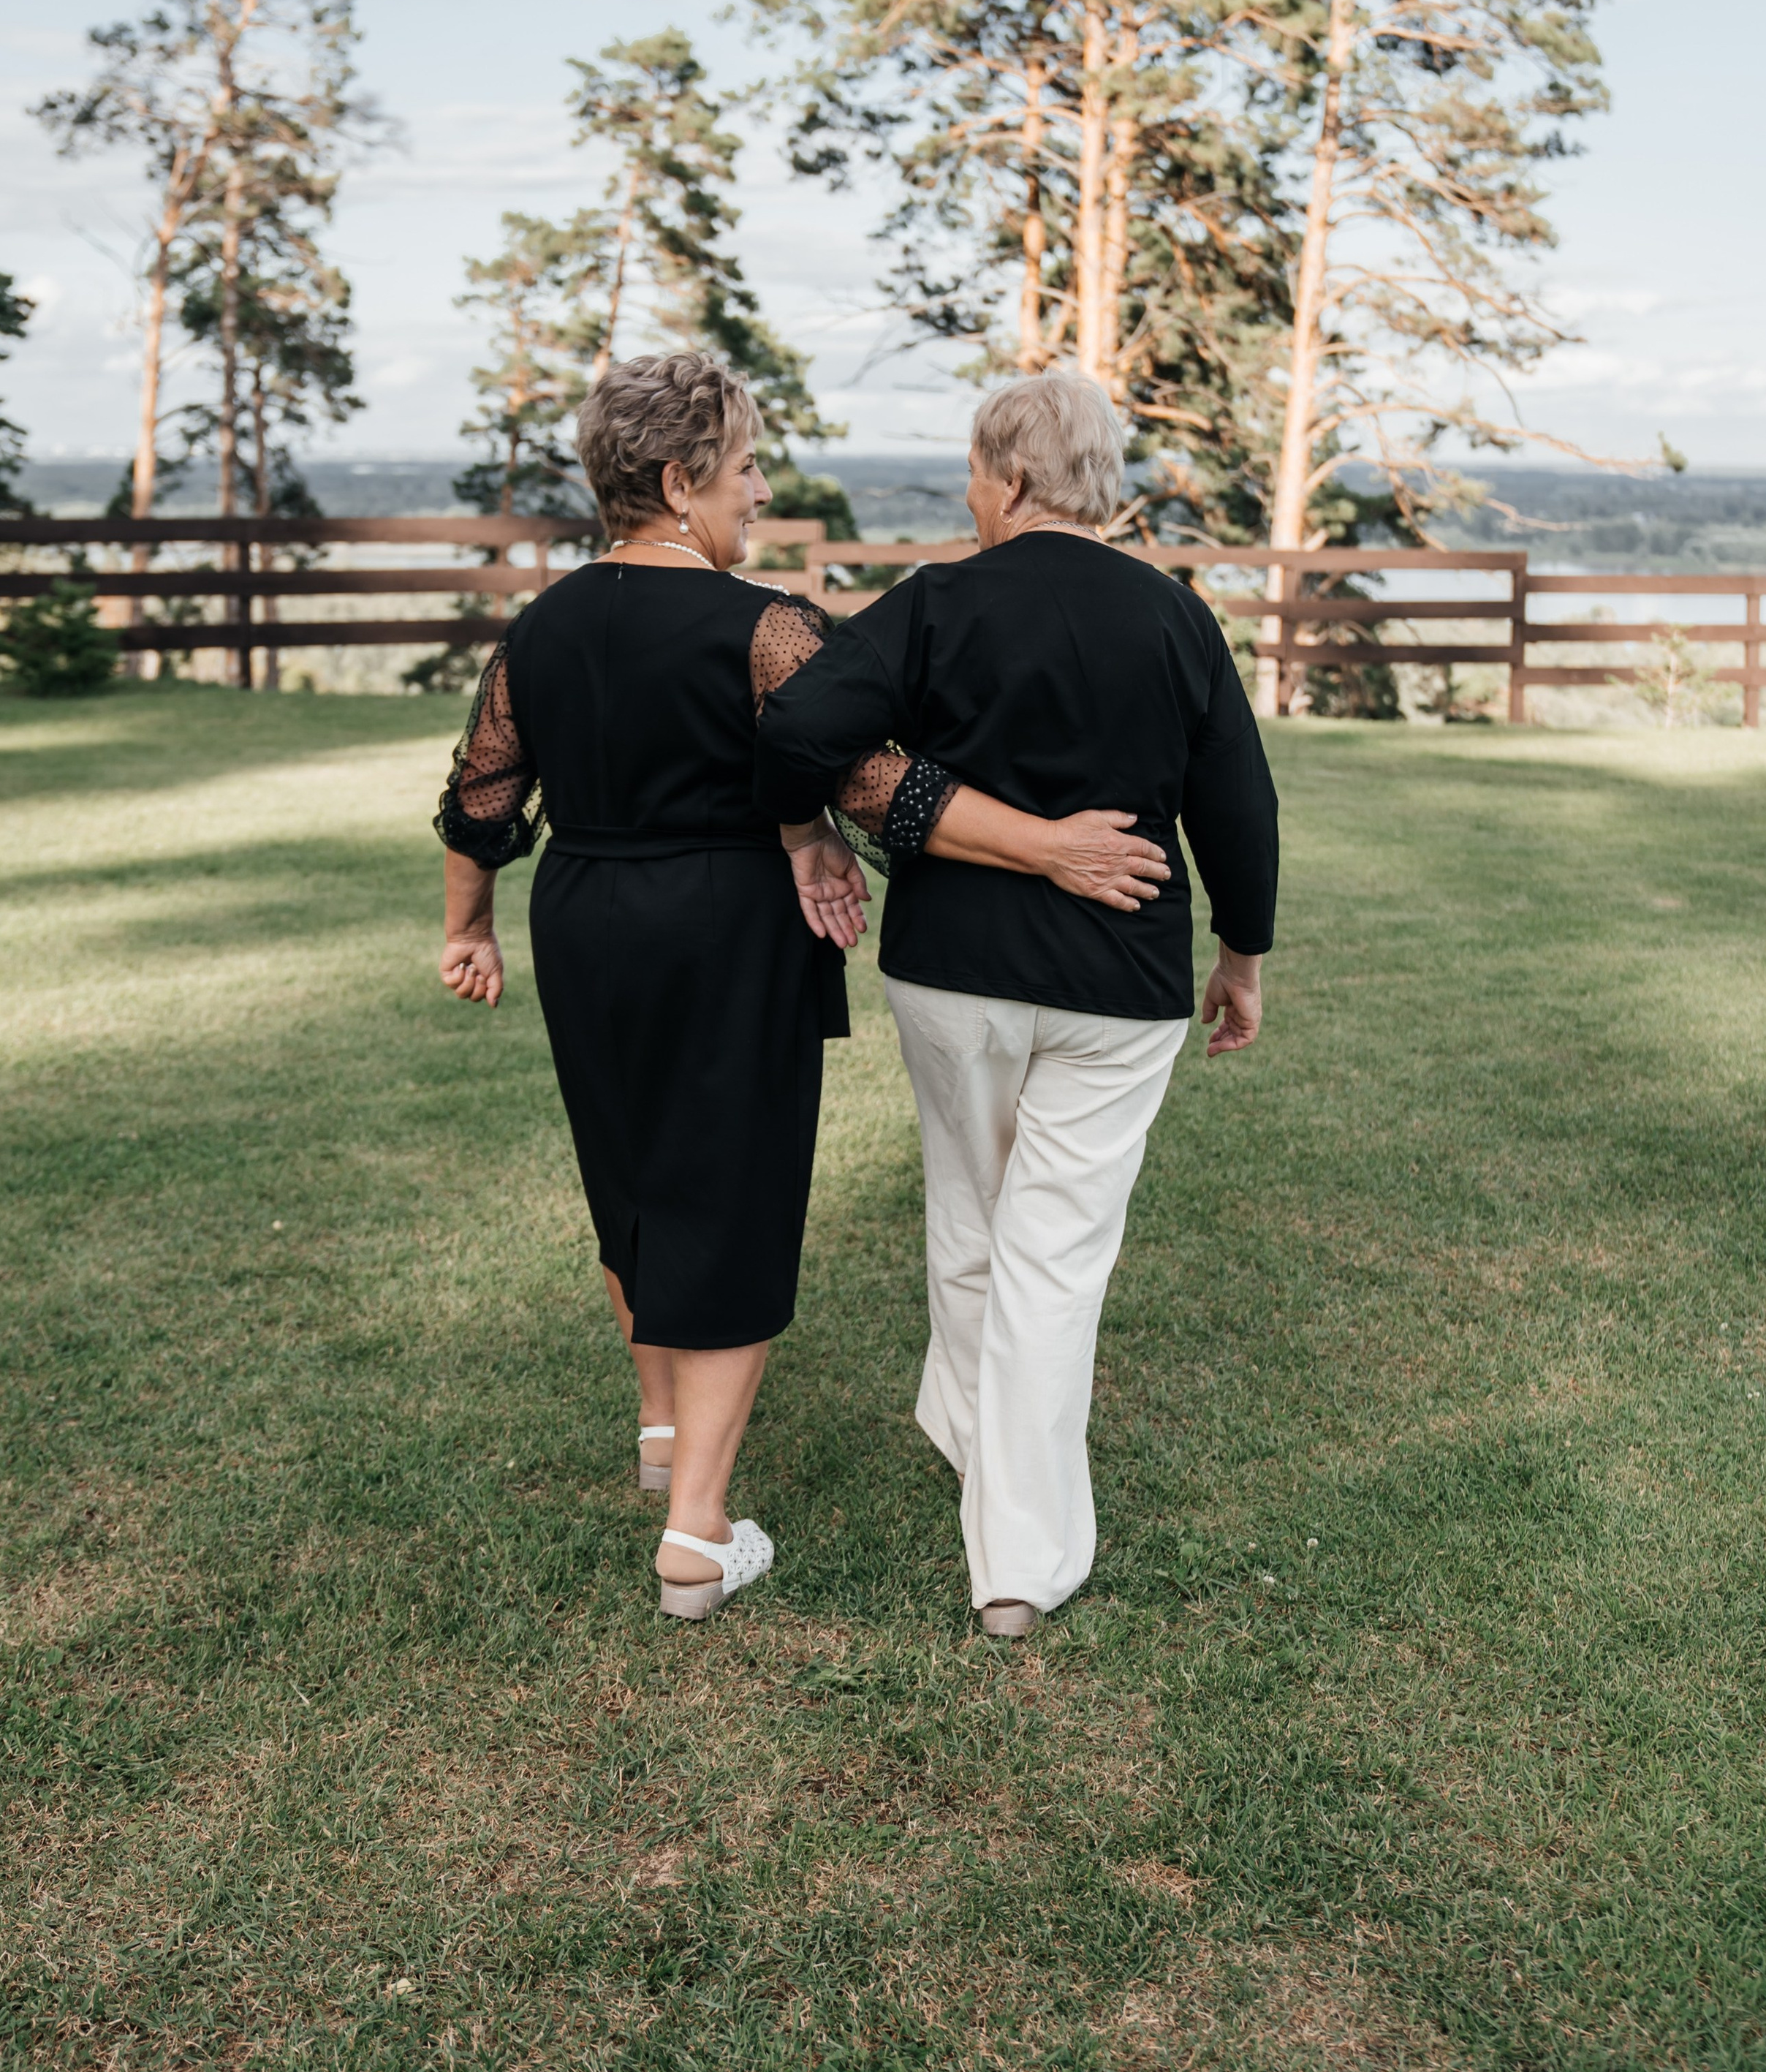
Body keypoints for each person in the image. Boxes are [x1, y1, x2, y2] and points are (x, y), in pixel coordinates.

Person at [433, 352, 1175, 1622]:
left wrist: (470, 929)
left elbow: (484, 794)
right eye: (745, 469)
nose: (761, 492)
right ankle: (697, 1529)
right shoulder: (766, 625)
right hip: (725, 928)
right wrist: (1045, 846)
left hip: (586, 918)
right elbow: (873, 776)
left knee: (630, 1171)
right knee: (733, 1193)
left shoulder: (541, 625)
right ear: (680, 483)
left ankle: (662, 1425)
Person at [756, 371, 1279, 1638]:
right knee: (1057, 1256)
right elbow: (1240, 804)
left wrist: (806, 837)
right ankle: (1017, 1567)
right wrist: (1242, 957)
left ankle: (974, 1441)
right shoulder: (1176, 615)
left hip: (953, 974)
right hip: (1123, 984)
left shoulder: (937, 602)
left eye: (972, 479)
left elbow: (792, 730)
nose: (970, 500)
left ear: (1009, 478)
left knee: (972, 1216)